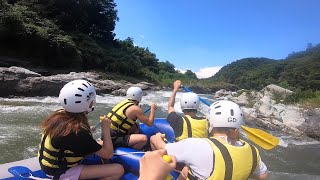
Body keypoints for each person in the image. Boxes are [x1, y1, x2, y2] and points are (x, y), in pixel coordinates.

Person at [151, 100, 268, 180]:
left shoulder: (197, 145)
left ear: (210, 122)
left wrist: (157, 137)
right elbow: (263, 176)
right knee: (187, 168)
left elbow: (162, 147)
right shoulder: (253, 151)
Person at [38, 79, 124, 179]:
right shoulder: (78, 133)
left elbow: (68, 138)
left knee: (99, 145)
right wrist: (106, 129)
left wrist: (88, 130)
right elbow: (108, 154)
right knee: (118, 169)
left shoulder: (59, 113)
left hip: (49, 165)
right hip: (59, 171)